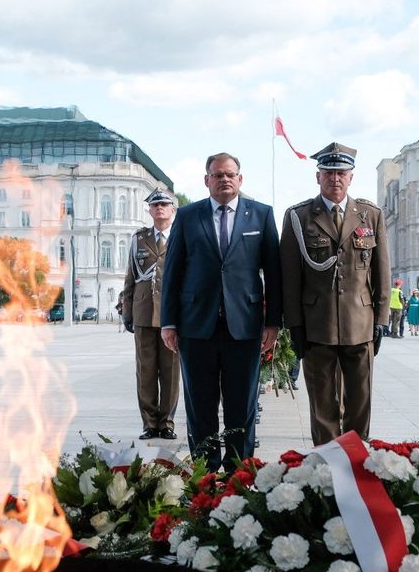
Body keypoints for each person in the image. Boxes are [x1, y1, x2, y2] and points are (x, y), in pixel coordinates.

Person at [160, 153, 281, 471]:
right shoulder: (187, 216)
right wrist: (168, 322)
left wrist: (274, 324)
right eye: (217, 175)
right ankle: (204, 471)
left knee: (242, 407)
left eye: (230, 174)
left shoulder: (261, 215)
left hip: (244, 327)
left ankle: (240, 472)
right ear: (206, 180)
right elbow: (172, 272)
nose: (224, 179)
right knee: (200, 406)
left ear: (240, 179)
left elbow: (274, 273)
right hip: (196, 327)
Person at [280, 142, 390, 446]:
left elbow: (381, 272)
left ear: (351, 177)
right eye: (328, 173)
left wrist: (381, 319)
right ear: (318, 177)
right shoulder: (298, 217)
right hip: (317, 326)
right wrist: (294, 325)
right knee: (323, 406)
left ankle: (357, 462)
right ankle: (327, 466)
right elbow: (289, 277)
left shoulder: (370, 215)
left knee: (360, 402)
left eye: (341, 172)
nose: (335, 179)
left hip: (360, 324)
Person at [123, 188, 180, 440]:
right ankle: (149, 423)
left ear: (172, 209)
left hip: (172, 314)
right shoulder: (139, 239)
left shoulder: (181, 236)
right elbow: (131, 278)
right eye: (155, 205)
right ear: (149, 210)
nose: (159, 208)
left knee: (170, 370)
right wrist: (127, 312)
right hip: (144, 311)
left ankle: (166, 422)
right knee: (145, 371)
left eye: (164, 204)